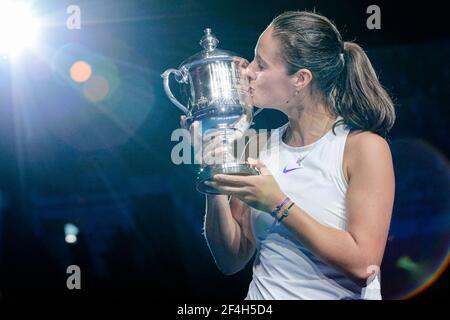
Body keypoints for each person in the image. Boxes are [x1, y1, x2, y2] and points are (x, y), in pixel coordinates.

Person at [181, 10, 395, 300]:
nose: (247, 71)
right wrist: (213, 173)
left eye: (261, 64)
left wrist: (276, 202)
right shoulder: (257, 146)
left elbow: (363, 265)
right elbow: (230, 260)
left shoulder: (363, 147)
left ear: (300, 79)